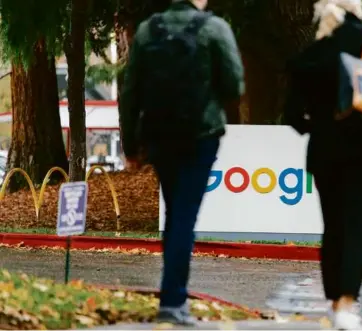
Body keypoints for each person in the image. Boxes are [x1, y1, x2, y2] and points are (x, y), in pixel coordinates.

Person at [284, 0, 362, 329]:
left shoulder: (315, 51)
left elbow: (294, 116)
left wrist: (321, 124)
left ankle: (331, 301)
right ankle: (346, 305)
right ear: (357, 8)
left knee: (334, 227)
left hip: (325, 151)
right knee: (356, 227)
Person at [119, 0, 244, 325]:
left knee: (175, 211)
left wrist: (131, 145)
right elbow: (234, 84)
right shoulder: (215, 29)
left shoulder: (149, 30)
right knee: (184, 216)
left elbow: (130, 91)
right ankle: (173, 301)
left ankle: (172, 296)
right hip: (201, 135)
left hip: (159, 136)